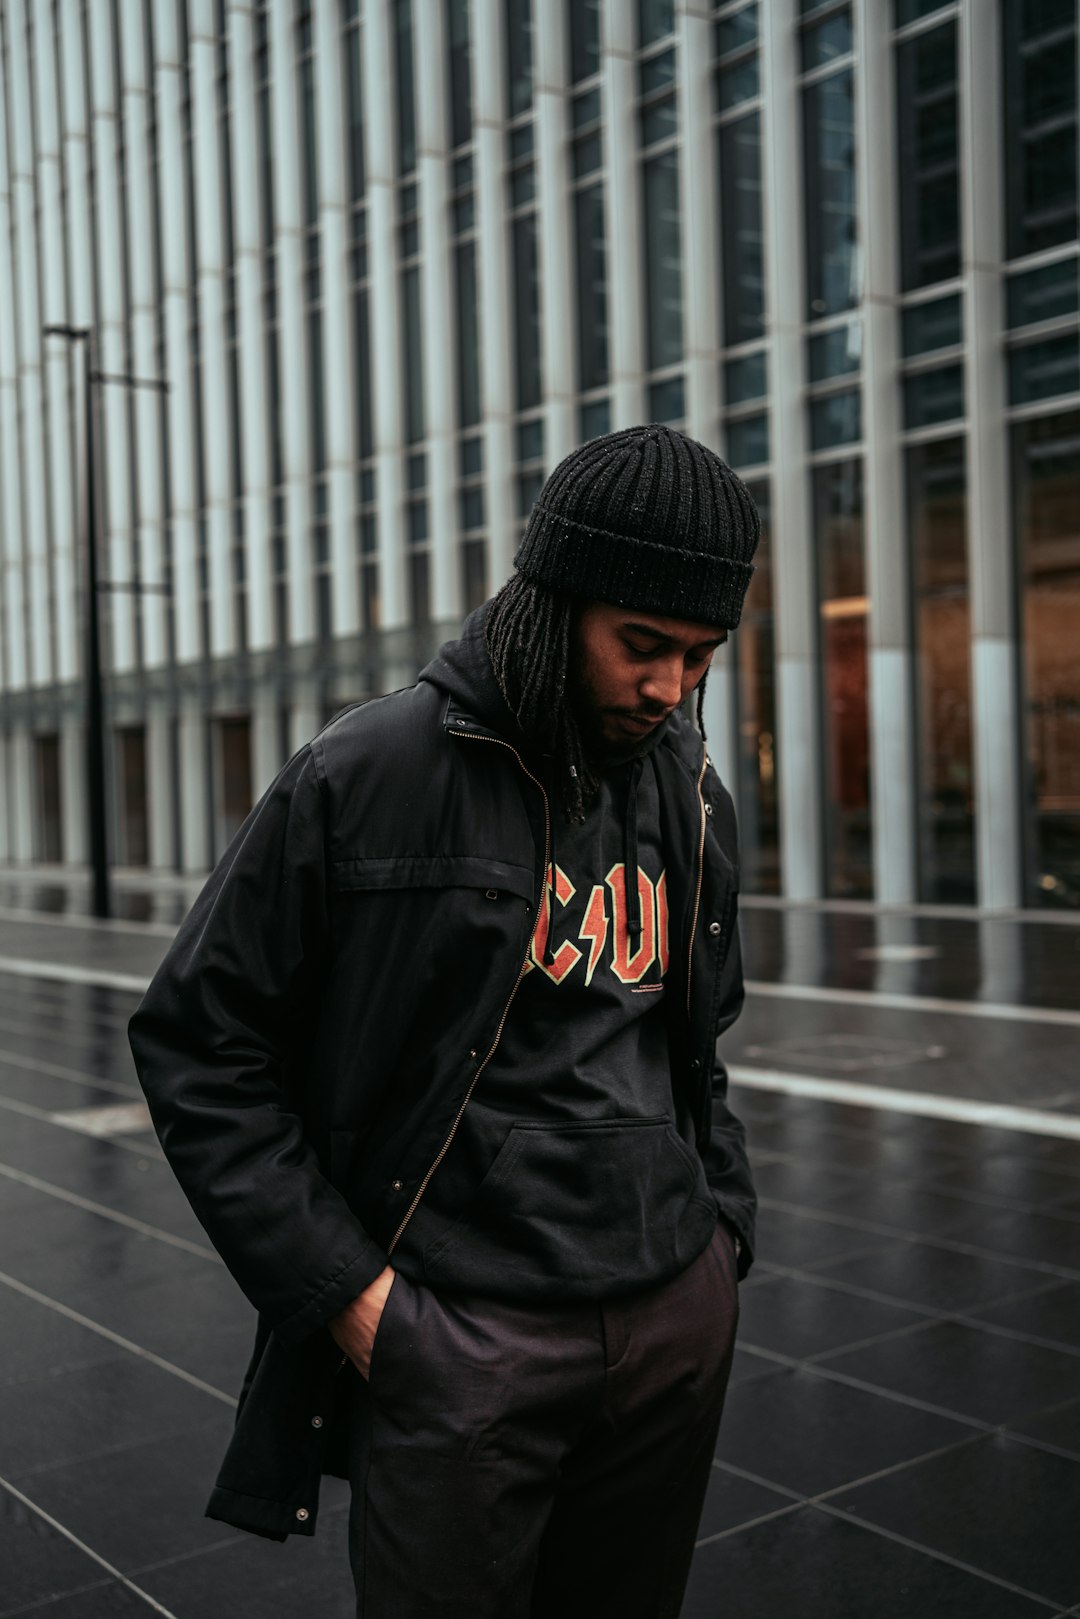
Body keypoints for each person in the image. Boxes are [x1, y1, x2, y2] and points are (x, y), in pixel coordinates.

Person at [129, 423, 760, 1619]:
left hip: (671, 1314)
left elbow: (699, 1039)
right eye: (642, 645)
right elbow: (198, 1043)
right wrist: (359, 1305)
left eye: (701, 654)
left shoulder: (688, 783)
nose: (670, 686)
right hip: (463, 1342)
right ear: (555, 600)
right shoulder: (369, 771)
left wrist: (721, 1238)